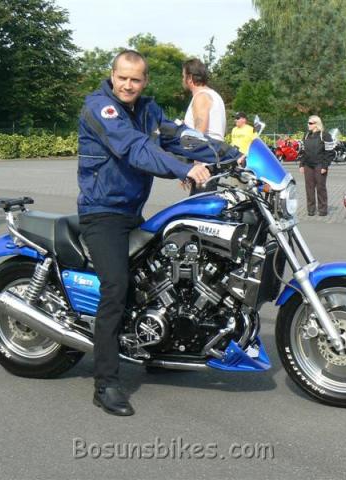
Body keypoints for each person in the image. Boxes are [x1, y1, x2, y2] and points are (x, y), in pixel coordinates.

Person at [77, 50, 240, 417]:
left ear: (145, 80)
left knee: (160, 273)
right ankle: (105, 384)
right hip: (101, 213)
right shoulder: (100, 108)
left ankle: (156, 346)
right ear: (113, 75)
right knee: (117, 287)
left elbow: (181, 136)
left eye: (135, 79)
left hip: (131, 212)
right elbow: (135, 148)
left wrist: (231, 154)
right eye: (123, 77)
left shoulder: (148, 110)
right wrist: (184, 170)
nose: (128, 85)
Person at [182, 58, 226, 141]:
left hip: (207, 148)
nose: (182, 79)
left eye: (183, 76)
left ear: (190, 78)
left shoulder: (201, 97)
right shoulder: (214, 95)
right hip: (215, 146)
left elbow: (198, 135)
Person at [299, 115, 335, 216]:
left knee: (320, 187)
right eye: (308, 123)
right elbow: (303, 151)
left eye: (310, 123)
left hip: (320, 165)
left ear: (316, 124)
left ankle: (322, 210)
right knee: (309, 188)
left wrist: (325, 166)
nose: (308, 125)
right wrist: (301, 164)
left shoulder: (325, 135)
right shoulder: (306, 135)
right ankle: (311, 210)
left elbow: (330, 152)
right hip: (308, 165)